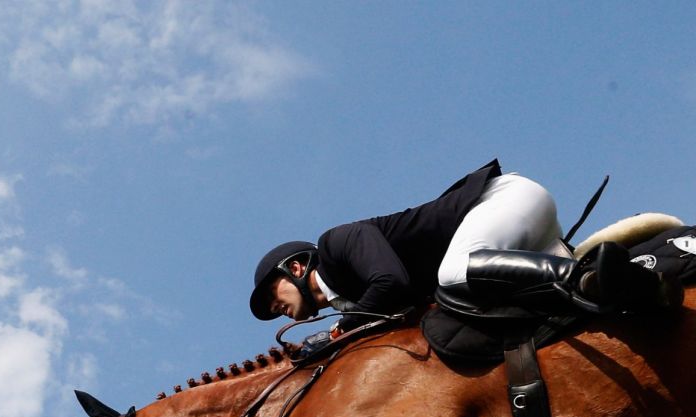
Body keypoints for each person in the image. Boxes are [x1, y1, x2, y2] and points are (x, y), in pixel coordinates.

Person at [248, 159, 677, 335]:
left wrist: (340, 331)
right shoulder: (354, 301)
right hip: (520, 250)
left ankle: (597, 276)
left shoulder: (336, 241)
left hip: (506, 201)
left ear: (299, 268)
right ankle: (628, 289)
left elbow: (391, 280)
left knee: (452, 275)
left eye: (273, 295)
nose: (275, 310)